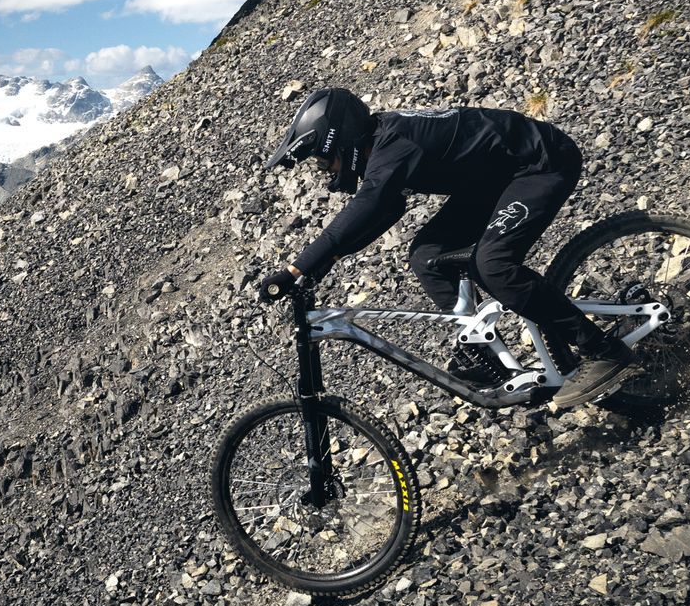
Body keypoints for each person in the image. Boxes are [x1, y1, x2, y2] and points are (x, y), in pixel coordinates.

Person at [256, 87, 637, 408]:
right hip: (492, 179)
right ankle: (489, 360)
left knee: (495, 265)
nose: (326, 170)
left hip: (541, 164)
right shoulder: (382, 144)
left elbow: (367, 207)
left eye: (325, 158)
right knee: (426, 257)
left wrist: (296, 269)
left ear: (341, 138)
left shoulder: (395, 145)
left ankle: (603, 351)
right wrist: (326, 264)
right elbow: (387, 209)